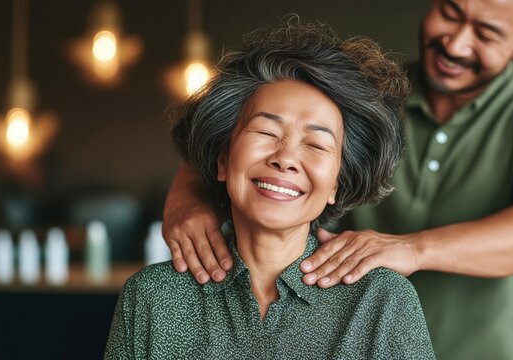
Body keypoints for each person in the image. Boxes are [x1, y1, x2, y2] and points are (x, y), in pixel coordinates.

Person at [162, 0, 513, 358]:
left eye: (487, 33)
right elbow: (228, 140)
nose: (457, 42)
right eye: (450, 12)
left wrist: (413, 249)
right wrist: (185, 201)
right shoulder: (368, 100)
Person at [105, 19, 436, 359]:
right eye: (265, 131)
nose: (286, 158)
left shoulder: (382, 301)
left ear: (337, 184)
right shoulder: (152, 298)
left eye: (317, 144)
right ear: (223, 160)